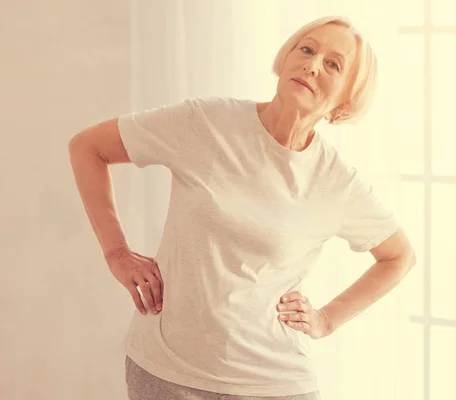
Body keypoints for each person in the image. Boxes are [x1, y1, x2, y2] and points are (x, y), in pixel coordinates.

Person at [68, 15, 416, 400]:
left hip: (273, 383)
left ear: (346, 99)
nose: (312, 65)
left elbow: (398, 256)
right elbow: (88, 148)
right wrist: (117, 253)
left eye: (333, 65)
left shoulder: (337, 181)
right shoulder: (206, 122)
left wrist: (327, 318)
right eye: (307, 49)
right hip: (165, 372)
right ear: (286, 58)